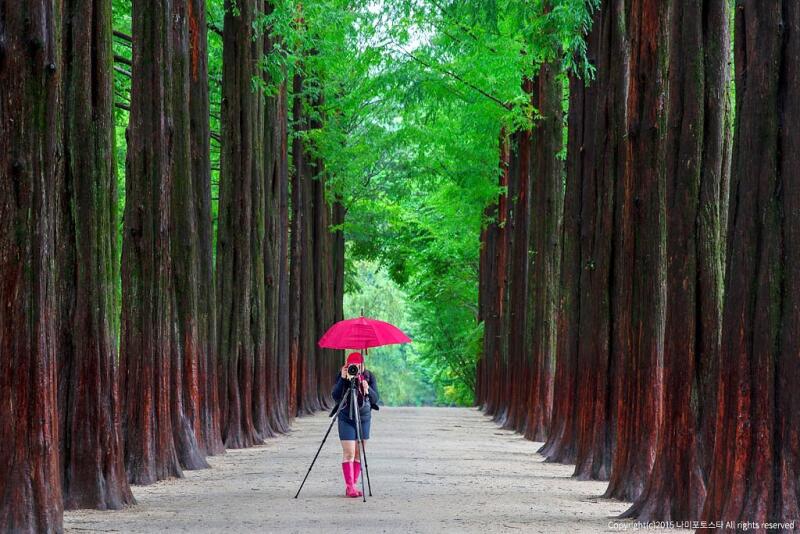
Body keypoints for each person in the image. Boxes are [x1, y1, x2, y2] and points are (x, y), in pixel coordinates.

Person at [332, 352, 379, 498]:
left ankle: (353, 484)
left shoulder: (369, 376)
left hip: (364, 417)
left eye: (357, 366)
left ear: (362, 365)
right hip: (346, 417)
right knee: (349, 453)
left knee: (359, 453)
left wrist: (367, 389)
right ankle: (350, 486)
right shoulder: (343, 375)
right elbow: (335, 395)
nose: (355, 369)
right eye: (352, 366)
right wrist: (343, 379)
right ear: (347, 365)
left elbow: (375, 399)